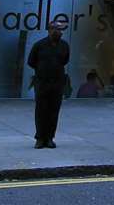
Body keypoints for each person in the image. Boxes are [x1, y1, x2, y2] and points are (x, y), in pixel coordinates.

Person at [27, 15, 70, 149]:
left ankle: (50, 137)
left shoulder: (64, 45)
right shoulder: (39, 45)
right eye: (57, 30)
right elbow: (31, 61)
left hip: (57, 83)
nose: (60, 32)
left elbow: (65, 60)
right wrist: (42, 71)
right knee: (41, 110)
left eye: (61, 30)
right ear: (50, 30)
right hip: (42, 82)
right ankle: (40, 138)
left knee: (54, 111)